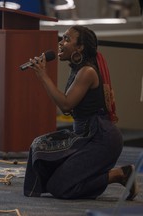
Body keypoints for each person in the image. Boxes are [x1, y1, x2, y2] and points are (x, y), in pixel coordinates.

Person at [23, 25, 139, 200]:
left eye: (67, 39)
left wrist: (43, 75)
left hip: (101, 138)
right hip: (83, 135)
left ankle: (119, 174)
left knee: (59, 187)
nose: (61, 43)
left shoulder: (87, 72)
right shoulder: (78, 69)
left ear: (80, 47)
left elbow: (66, 105)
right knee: (39, 146)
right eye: (62, 38)